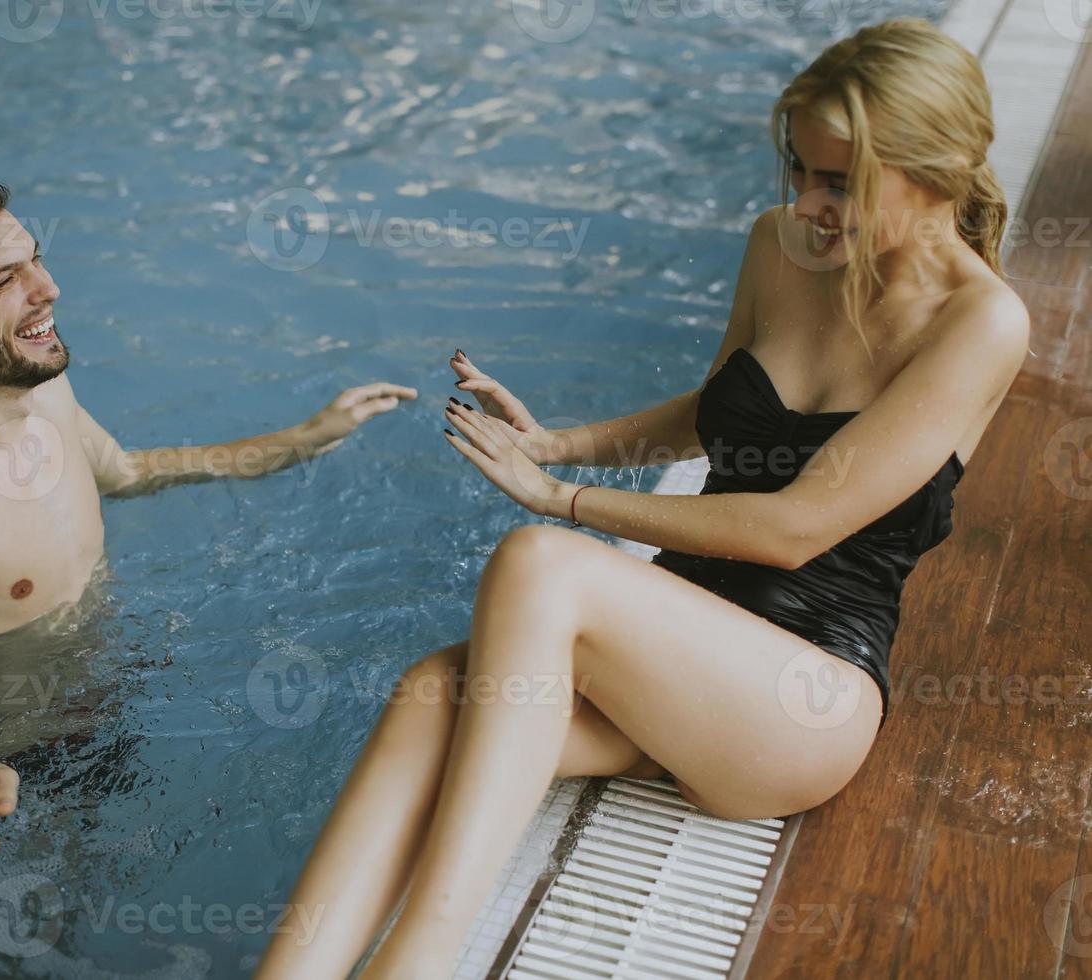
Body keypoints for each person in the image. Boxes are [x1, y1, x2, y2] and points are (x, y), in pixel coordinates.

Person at [256, 18, 1029, 978]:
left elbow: (794, 528)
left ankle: (416, 963)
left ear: (938, 169)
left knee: (544, 563)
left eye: (839, 181)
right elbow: (725, 413)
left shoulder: (980, 322)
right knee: (431, 693)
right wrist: (560, 444)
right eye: (799, 171)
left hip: (800, 693)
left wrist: (561, 496)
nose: (807, 201)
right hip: (678, 660)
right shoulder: (782, 245)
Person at [0, 172, 417, 887]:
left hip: (120, 689)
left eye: (37, 260)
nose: (48, 290)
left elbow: (126, 472)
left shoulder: (40, 384)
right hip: (18, 769)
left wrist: (302, 438)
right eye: (5, 280)